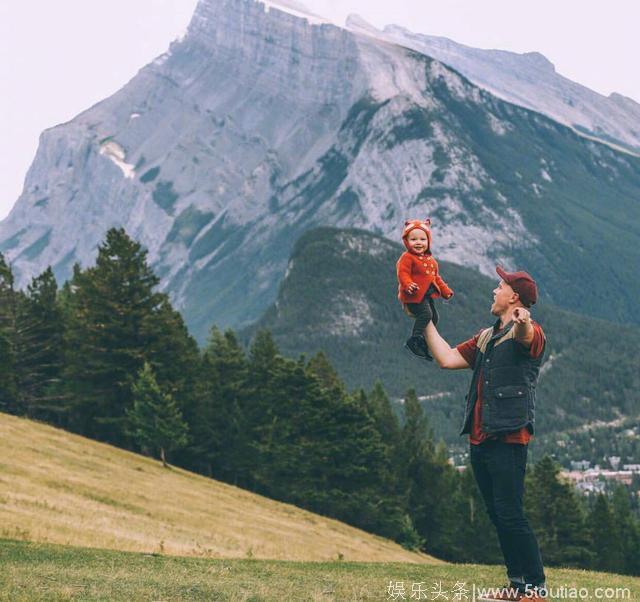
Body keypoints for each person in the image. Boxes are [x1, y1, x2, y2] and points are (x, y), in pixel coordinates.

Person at [424, 266, 547, 601]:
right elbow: (447, 359)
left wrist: (521, 320)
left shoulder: (529, 331)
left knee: (511, 513)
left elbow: (527, 335)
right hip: (480, 439)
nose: (494, 290)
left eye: (500, 285)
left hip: (509, 438)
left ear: (514, 296)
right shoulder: (485, 337)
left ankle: (535, 589)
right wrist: (424, 321)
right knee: (498, 514)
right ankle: (517, 585)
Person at [396, 219, 453, 360]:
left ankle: (425, 339)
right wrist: (408, 285)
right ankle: (415, 339)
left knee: (434, 317)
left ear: (428, 241)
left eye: (422, 239)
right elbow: (402, 273)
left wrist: (445, 291)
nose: (418, 242)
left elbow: (436, 278)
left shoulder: (431, 260)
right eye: (413, 239)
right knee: (426, 314)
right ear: (406, 242)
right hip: (413, 296)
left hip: (426, 296)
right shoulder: (407, 258)